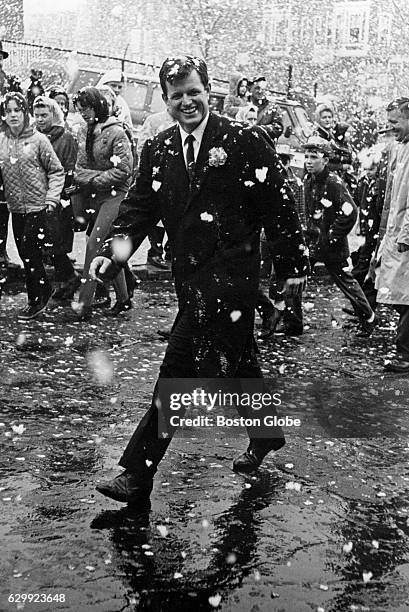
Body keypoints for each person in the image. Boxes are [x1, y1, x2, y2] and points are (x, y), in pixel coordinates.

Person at [89, 55, 308, 507]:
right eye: (176, 96)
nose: (186, 102)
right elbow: (138, 213)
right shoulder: (161, 148)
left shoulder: (245, 140)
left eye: (194, 92)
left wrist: (291, 272)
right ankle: (266, 435)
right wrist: (113, 256)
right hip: (190, 282)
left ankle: (137, 474)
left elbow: (280, 206)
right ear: (166, 101)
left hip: (231, 280)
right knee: (239, 367)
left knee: (178, 370)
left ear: (210, 91)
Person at [303, 135, 377, 337]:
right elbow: (310, 211)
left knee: (347, 283)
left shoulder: (333, 183)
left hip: (330, 246)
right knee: (294, 274)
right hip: (314, 242)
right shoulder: (308, 180)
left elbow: (350, 212)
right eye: (307, 156)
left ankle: (368, 317)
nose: (308, 161)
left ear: (325, 159)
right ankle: (289, 319)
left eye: (314, 157)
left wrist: (331, 236)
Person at [0, 92, 65, 319]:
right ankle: (42, 290)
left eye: (17, 110)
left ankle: (37, 297)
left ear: (24, 112)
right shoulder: (1, 141)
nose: (13, 115)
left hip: (38, 206)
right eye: (8, 111)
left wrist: (52, 198)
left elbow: (57, 171)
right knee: (25, 252)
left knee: (29, 249)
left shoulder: (38, 140)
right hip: (16, 208)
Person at [70, 87, 133, 318]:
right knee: (106, 248)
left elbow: (125, 170)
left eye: (86, 109)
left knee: (93, 245)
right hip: (98, 195)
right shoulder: (85, 131)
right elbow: (78, 170)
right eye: (79, 110)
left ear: (97, 106)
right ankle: (124, 299)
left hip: (116, 196)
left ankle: (84, 304)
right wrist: (95, 179)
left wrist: (94, 179)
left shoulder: (117, 132)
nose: (83, 114)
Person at [32, 95, 80, 301]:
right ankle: (67, 280)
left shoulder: (65, 137)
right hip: (36, 196)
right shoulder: (32, 135)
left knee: (55, 243)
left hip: (57, 197)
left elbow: (68, 170)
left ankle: (71, 279)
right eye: (37, 115)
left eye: (44, 115)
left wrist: (60, 194)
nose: (41, 119)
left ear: (54, 115)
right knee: (47, 243)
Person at [375, 98, 409, 373]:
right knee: (399, 295)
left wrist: (405, 234)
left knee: (406, 297)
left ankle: (404, 353)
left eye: (395, 122)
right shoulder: (402, 148)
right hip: (397, 233)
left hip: (405, 237)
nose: (391, 128)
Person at [137, 109, 176, 270]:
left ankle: (171, 251)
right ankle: (155, 251)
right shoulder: (155, 120)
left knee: (176, 216)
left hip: (179, 176)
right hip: (159, 175)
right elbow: (143, 145)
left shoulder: (189, 121)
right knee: (157, 215)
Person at [236, 76, 283, 142]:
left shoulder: (272, 107)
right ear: (250, 89)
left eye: (263, 89)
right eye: (257, 88)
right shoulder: (241, 103)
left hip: (263, 147)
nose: (260, 91)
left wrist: (260, 130)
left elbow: (278, 128)